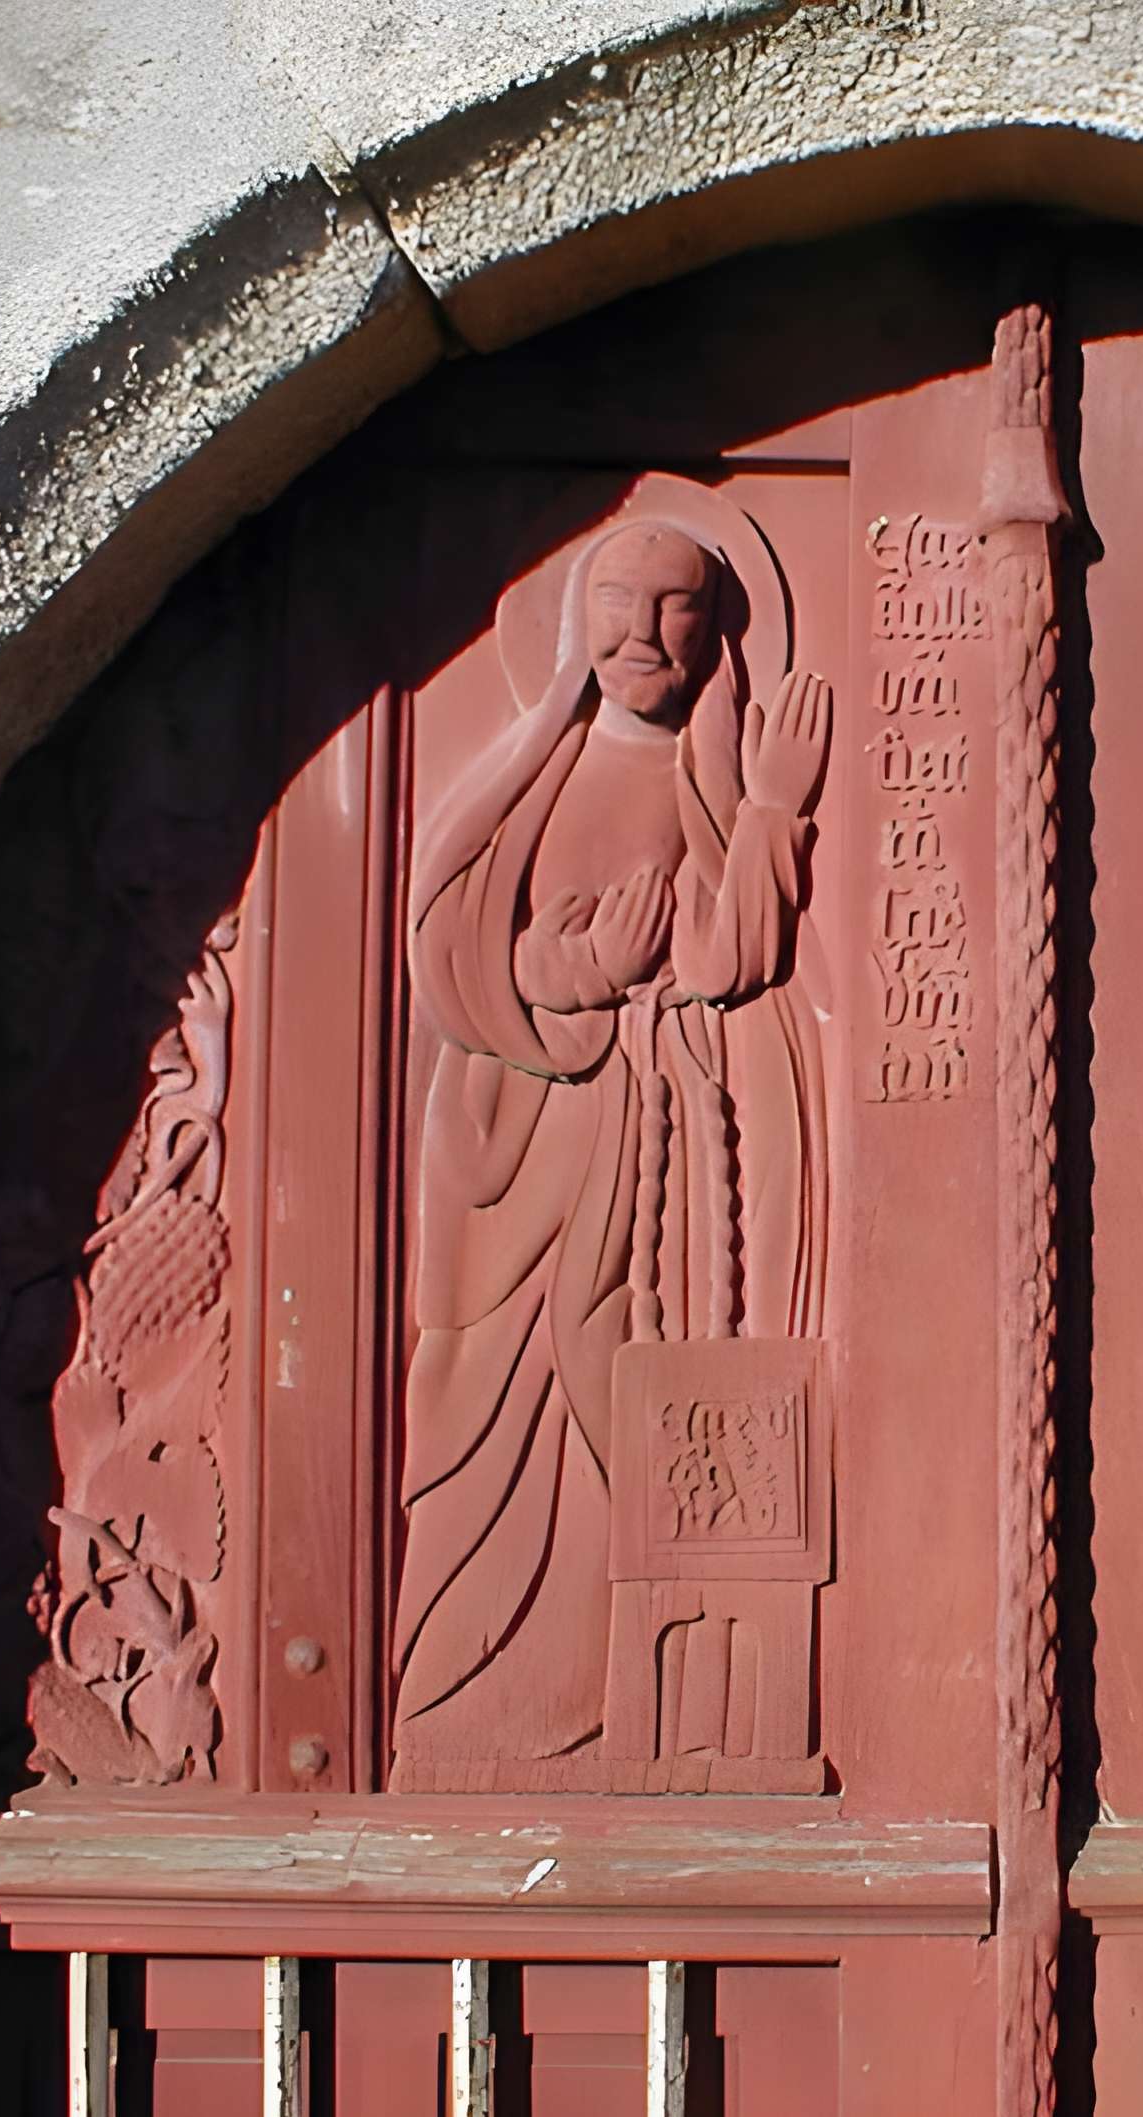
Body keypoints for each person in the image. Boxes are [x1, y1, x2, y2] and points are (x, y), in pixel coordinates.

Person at [393, 516, 829, 1767]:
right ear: (579, 623)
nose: (645, 632)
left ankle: (650, 1719)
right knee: (497, 1415)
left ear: (713, 634)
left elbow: (728, 957)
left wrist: (775, 810)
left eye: (677, 605)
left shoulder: (708, 776)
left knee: (635, 1406)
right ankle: (471, 1715)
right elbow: (457, 949)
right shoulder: (530, 777)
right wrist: (569, 967)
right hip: (523, 1147)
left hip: (658, 1159)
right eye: (622, 602)